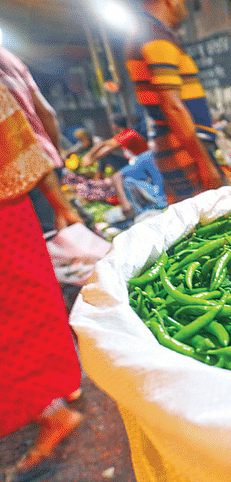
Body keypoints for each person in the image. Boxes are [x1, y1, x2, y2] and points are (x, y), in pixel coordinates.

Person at [0, 82, 83, 475]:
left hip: (6, 210)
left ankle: (51, 408)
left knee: (17, 318)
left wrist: (62, 205)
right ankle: (55, 392)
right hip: (10, 206)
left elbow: (22, 136)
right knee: (26, 308)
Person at [124, 0, 224, 203]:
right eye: (184, 0)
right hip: (184, 151)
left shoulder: (145, 33)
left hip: (174, 148)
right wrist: (204, 161)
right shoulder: (155, 38)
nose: (186, 10)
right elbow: (172, 106)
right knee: (212, 221)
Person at [0, 42, 73, 232]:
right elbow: (47, 113)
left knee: (41, 241)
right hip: (42, 159)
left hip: (12, 176)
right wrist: (54, 156)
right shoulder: (10, 58)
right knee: (55, 239)